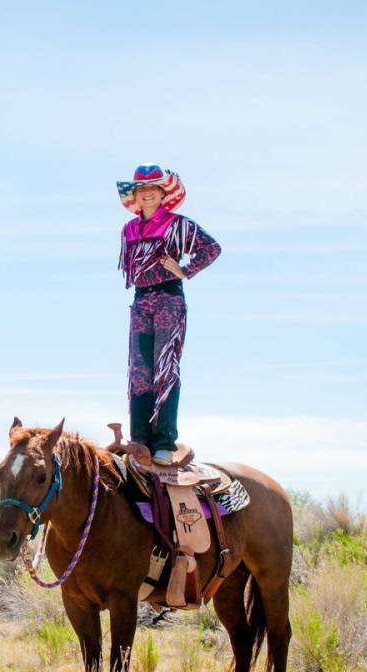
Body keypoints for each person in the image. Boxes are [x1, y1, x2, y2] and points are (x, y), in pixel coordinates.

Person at [117, 164, 220, 465]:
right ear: (135, 196)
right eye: (141, 189)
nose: (147, 193)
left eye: (153, 187)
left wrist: (186, 270)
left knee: (165, 368)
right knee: (139, 371)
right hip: (141, 301)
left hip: (169, 298)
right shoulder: (129, 230)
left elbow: (211, 248)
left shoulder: (178, 224)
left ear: (163, 193)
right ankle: (139, 440)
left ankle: (164, 441)